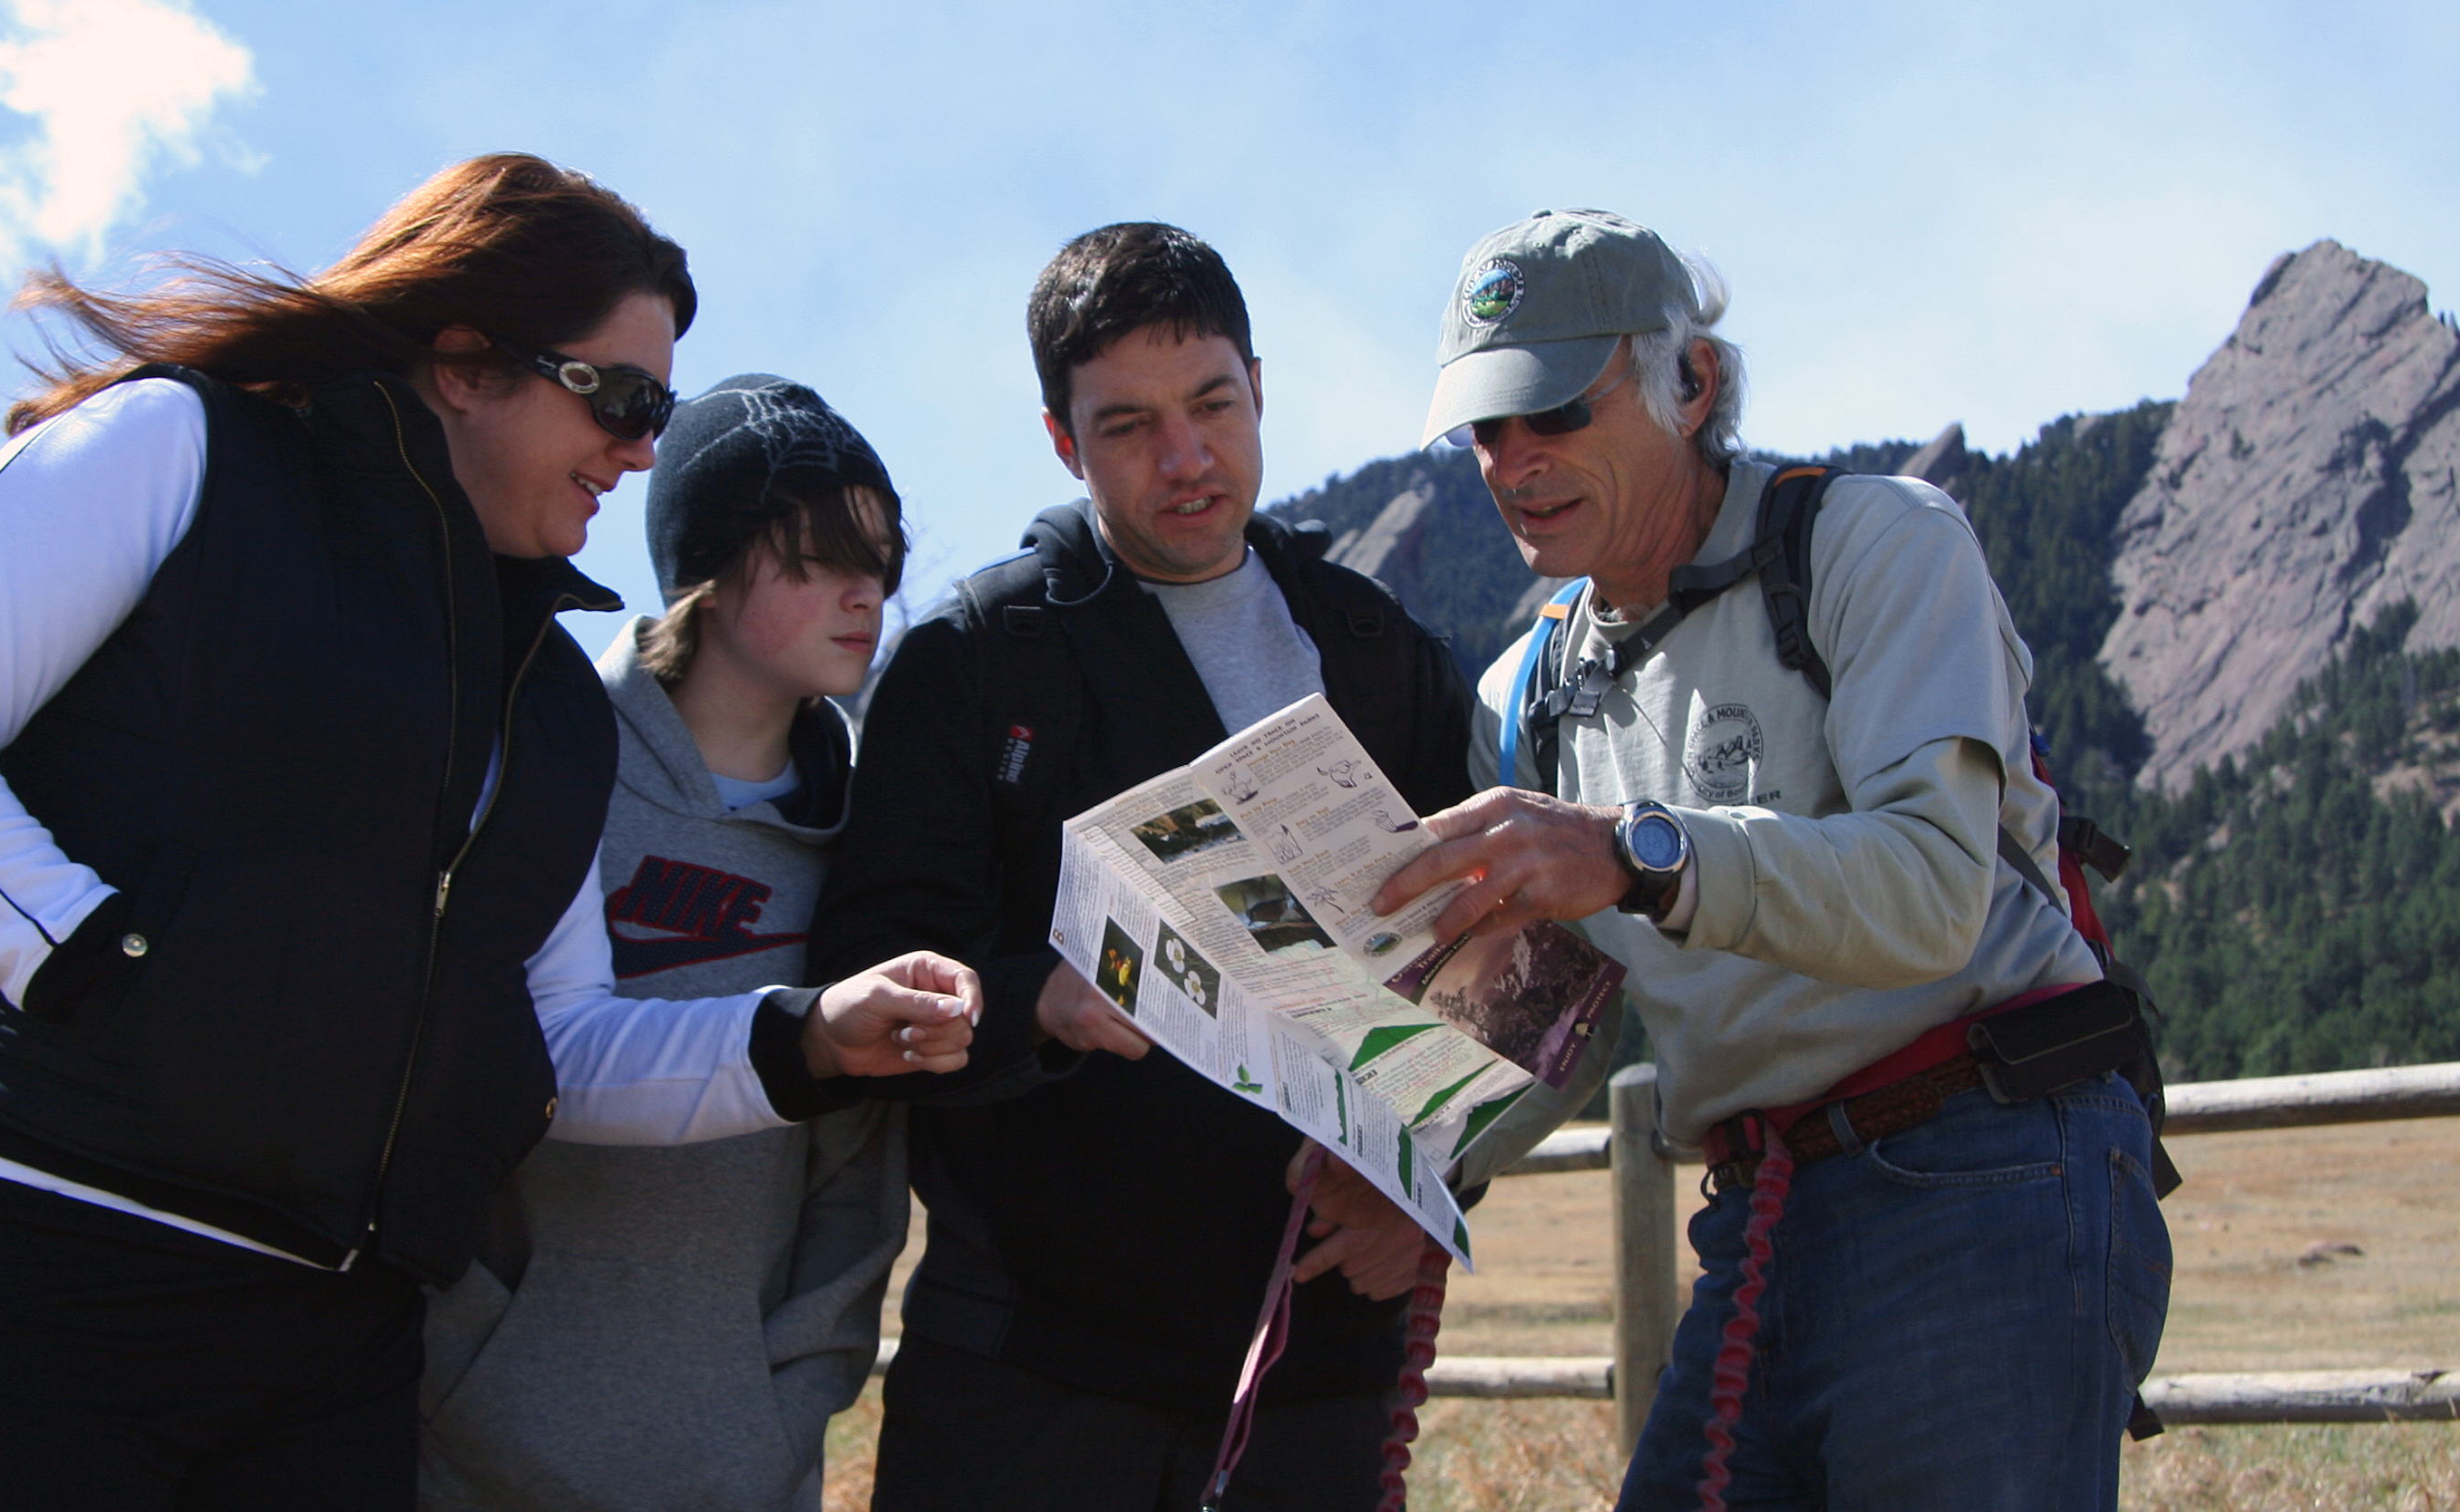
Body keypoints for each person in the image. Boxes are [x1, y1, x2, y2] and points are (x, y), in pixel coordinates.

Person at [0, 154, 975, 1512]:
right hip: (15, 1255)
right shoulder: (188, 449)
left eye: (661, 413)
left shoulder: (548, 708)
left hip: (327, 1341)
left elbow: (558, 1041)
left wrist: (806, 1038)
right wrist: (86, 960)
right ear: (467, 363)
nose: (645, 450)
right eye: (624, 399)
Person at [1375, 209, 2171, 1510]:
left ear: (1690, 384)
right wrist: (1403, 1172)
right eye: (1483, 429)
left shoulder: (1877, 544)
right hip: (1757, 1217)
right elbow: (1540, 1023)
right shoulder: (1520, 698)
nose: (1512, 460)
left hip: (1988, 1163)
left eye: (1557, 411)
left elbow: (1927, 897)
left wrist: (1634, 856)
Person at [810, 223, 1496, 1512]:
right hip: (1030, 1377)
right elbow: (867, 964)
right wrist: (1040, 1004)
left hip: (1315, 1359)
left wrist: (1431, 1187)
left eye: (1211, 405)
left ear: (1258, 388)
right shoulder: (975, 658)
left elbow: (1482, 960)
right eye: (1125, 425)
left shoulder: (1375, 651)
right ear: (1063, 443)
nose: (1183, 458)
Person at [420, 374, 912, 1511]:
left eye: (878, 560)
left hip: (734, 1473)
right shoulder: (538, 765)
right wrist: (468, 1372)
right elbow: (444, 1082)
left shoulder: (871, 846)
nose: (864, 593)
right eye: (817, 555)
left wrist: (775, 1417)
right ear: (708, 563)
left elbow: (854, 1190)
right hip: (460, 1455)